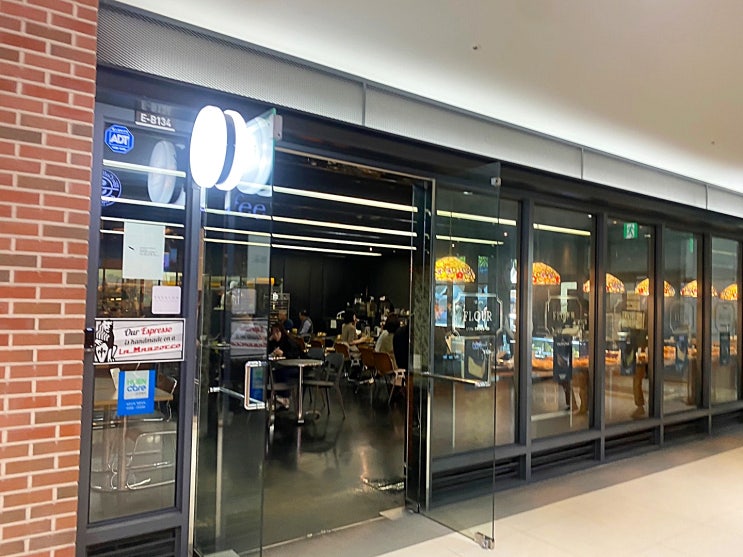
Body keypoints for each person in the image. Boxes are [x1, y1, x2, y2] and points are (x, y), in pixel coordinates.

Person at [267, 322, 301, 408]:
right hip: (279, 365)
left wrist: (283, 353)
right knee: (269, 372)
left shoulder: (289, 342)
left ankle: (284, 397)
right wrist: (269, 341)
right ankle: (271, 396)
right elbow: (268, 352)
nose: (275, 336)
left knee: (281, 372)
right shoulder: (273, 342)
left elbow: (294, 355)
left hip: (292, 366)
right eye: (273, 333)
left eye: (276, 333)